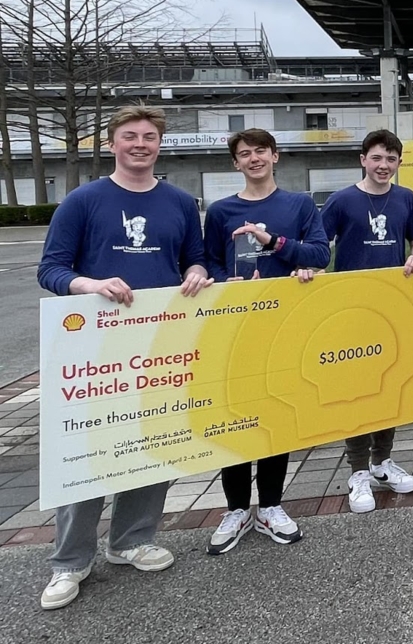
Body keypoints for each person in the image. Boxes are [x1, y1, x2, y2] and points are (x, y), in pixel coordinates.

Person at [36, 105, 212, 610]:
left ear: (160, 144)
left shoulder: (179, 202)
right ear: (112, 143)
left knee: (153, 439)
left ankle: (131, 540)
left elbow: (194, 257)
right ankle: (70, 562)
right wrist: (88, 284)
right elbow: (51, 269)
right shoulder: (83, 200)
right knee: (88, 452)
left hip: (160, 343)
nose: (140, 144)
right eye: (130, 136)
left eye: (150, 136)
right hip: (95, 348)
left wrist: (198, 272)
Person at [202, 129, 330, 553]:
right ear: (235, 164)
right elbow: (206, 265)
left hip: (284, 325)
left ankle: (271, 506)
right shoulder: (221, 211)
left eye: (260, 151)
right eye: (244, 154)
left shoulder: (298, 205)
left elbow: (319, 254)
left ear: (275, 156)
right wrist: (227, 283)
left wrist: (277, 246)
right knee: (235, 418)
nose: (253, 158)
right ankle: (237, 508)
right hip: (235, 328)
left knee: (277, 415)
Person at [321, 129, 413, 512]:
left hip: (392, 306)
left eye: (391, 159)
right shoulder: (342, 200)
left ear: (399, 163)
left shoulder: (405, 198)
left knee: (389, 385)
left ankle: (383, 461)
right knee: (357, 389)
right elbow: (320, 247)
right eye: (377, 158)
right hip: (352, 311)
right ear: (363, 159)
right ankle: (358, 471)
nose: (384, 166)